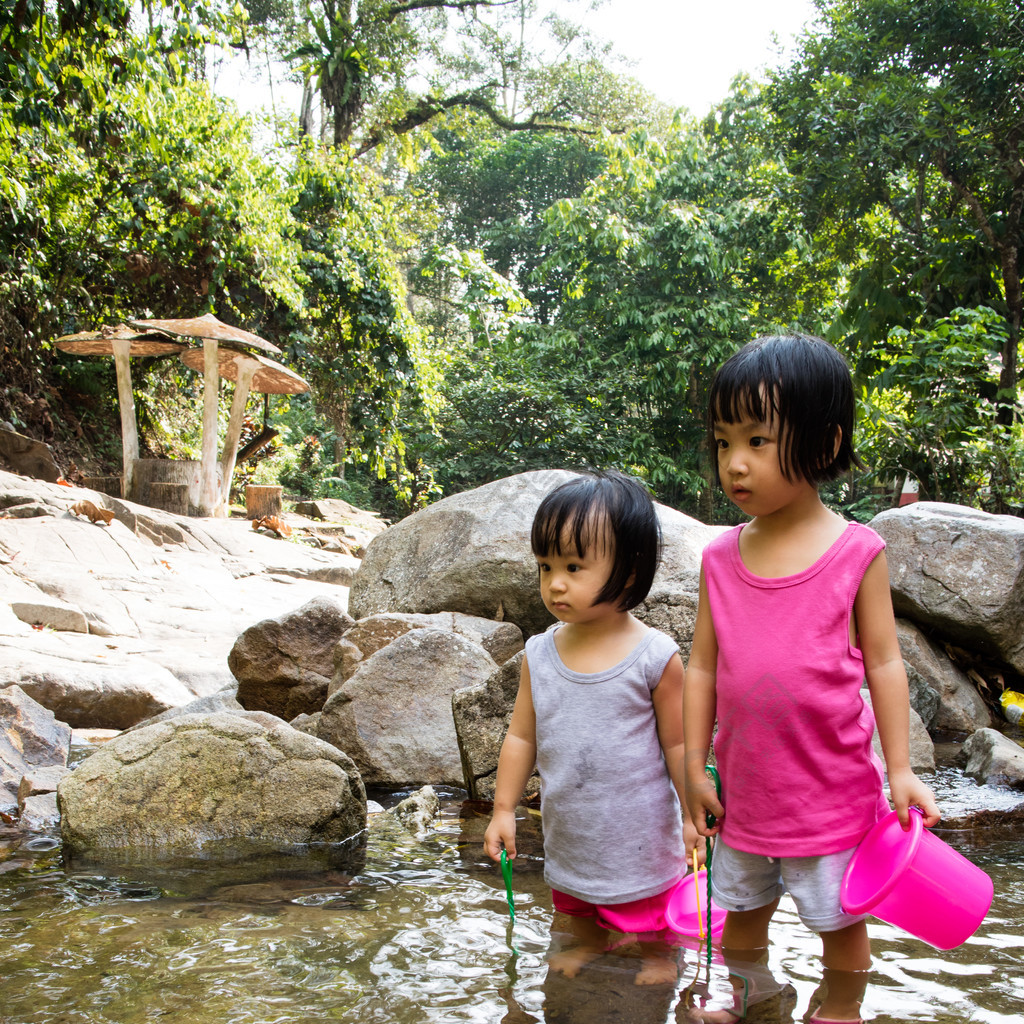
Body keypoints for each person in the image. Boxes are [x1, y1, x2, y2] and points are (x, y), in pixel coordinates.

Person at [684, 334, 941, 1023]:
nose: (734, 464)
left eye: (759, 441)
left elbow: (885, 663)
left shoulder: (857, 553)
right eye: (723, 441)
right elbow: (702, 665)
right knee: (740, 912)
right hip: (744, 794)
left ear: (823, 446)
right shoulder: (719, 558)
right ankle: (749, 996)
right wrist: (692, 765)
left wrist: (902, 769)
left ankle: (843, 1008)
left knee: (840, 922)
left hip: (830, 795)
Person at [483, 470, 698, 985]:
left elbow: (678, 742)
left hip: (639, 833)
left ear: (629, 570)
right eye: (546, 566)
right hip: (572, 831)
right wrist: (503, 808)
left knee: (648, 907)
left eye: (575, 566)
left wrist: (693, 814)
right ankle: (586, 944)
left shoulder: (654, 657)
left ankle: (658, 954)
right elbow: (522, 736)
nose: (555, 583)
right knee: (574, 904)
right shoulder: (540, 653)